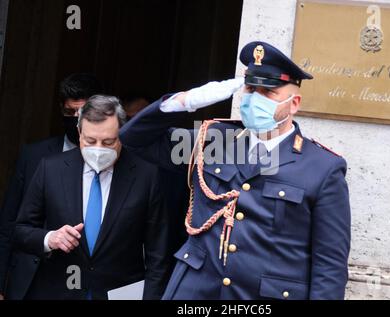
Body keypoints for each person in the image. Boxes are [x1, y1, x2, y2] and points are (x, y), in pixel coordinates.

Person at [120, 41, 351, 300]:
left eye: (267, 92)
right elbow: (134, 139)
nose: (255, 98)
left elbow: (329, 266)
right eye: (251, 89)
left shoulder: (321, 167)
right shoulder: (215, 141)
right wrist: (183, 101)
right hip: (196, 293)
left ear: (293, 103)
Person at [13, 95, 171, 300]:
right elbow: (20, 230)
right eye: (90, 141)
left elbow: (158, 256)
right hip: (59, 291)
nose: (98, 149)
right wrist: (50, 238)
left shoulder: (146, 176)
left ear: (122, 134)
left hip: (119, 294)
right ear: (79, 133)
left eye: (108, 142)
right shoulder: (50, 169)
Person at [0, 73, 103, 300]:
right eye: (69, 113)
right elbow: (9, 223)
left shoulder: (116, 161)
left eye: (82, 113)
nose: (75, 120)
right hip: (30, 278)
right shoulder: (33, 156)